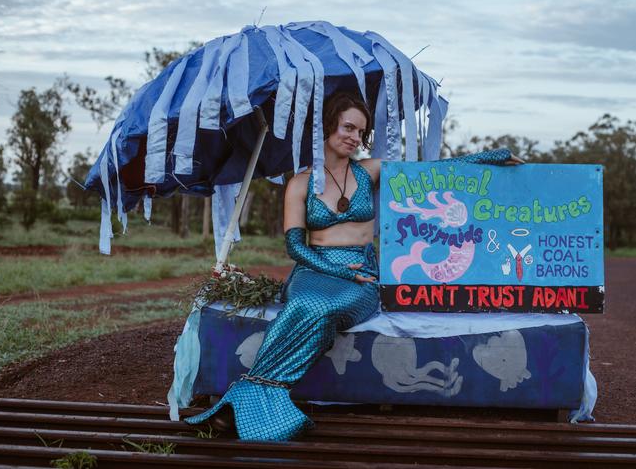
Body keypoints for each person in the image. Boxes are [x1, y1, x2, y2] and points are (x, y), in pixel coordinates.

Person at [185, 91, 520, 441]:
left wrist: (490, 157)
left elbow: (431, 172)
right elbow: (295, 246)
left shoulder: (369, 171)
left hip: (361, 276)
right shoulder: (299, 183)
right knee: (305, 302)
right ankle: (263, 394)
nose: (354, 138)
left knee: (325, 308)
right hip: (314, 270)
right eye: (348, 127)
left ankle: (248, 396)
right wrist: (339, 271)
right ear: (328, 127)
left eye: (360, 132)